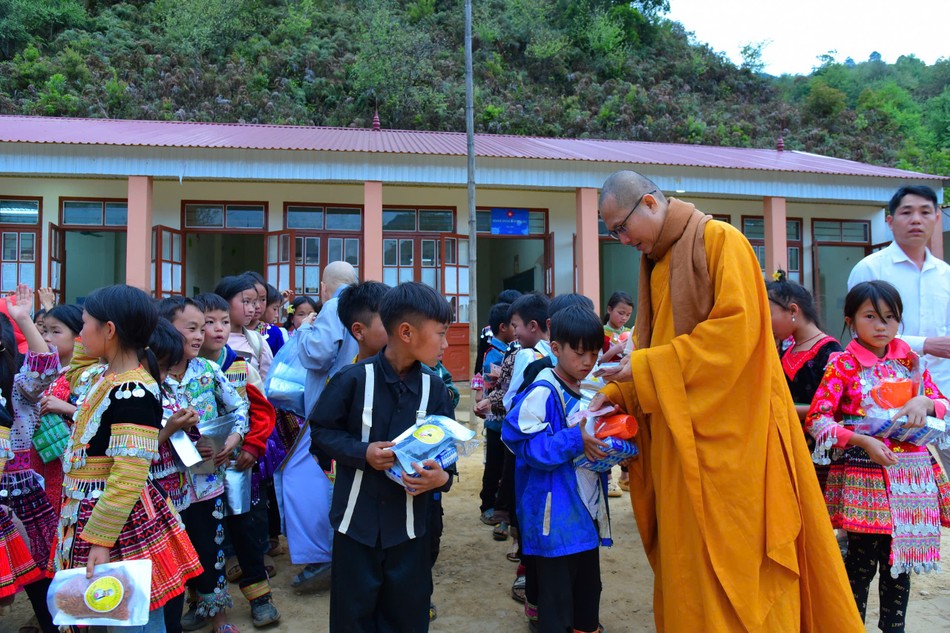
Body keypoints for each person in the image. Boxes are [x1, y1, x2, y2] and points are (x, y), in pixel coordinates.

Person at [590, 170, 863, 631]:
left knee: (745, 572)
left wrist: (646, 365)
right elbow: (652, 350)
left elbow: (737, 337)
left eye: (620, 227)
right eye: (610, 231)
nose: (619, 240)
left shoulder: (720, 241)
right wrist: (615, 393)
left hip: (737, 450)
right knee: (688, 573)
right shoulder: (655, 263)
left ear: (651, 205)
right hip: (681, 448)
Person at [53, 285, 202, 633]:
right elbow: (77, 367)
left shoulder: (132, 389)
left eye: (85, 324)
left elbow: (128, 475)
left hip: (118, 522)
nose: (80, 333)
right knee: (110, 610)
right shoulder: (100, 375)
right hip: (93, 512)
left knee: (131, 617)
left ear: (109, 330)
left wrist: (100, 541)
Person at [806, 281, 950, 630]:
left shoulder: (912, 362)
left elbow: (943, 404)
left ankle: (893, 628)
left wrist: (926, 401)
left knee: (898, 564)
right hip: (864, 474)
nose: (882, 325)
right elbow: (818, 419)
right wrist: (860, 440)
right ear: (851, 321)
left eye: (890, 317)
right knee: (860, 562)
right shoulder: (843, 364)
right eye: (871, 316)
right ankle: (850, 626)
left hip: (910, 475)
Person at [311, 282, 454, 632]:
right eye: (440, 334)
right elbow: (321, 434)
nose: (446, 344)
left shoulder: (436, 390)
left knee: (408, 615)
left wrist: (443, 478)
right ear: (406, 332)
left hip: (412, 531)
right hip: (355, 528)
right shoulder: (353, 379)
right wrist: (363, 453)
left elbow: (447, 453)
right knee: (352, 616)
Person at [504, 304, 610, 633]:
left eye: (593, 354)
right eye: (579, 353)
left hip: (583, 514)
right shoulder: (543, 390)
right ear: (555, 348)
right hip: (554, 519)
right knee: (557, 600)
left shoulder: (586, 388)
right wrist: (575, 439)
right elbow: (522, 439)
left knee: (587, 593)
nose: (587, 362)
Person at [847, 185, 950, 475]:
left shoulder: (946, 275)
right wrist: (925, 344)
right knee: (900, 491)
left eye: (925, 212)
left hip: (942, 394)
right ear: (890, 221)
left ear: (937, 218)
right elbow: (862, 335)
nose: (916, 219)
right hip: (885, 405)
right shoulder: (870, 269)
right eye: (906, 212)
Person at [285, 260, 358, 590]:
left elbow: (317, 355)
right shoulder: (364, 303)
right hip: (359, 408)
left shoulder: (334, 306)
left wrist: (304, 330)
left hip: (329, 410)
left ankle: (326, 556)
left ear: (324, 287)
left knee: (315, 481)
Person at [766, 270, 843, 491]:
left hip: (821, 450)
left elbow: (835, 408)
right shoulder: (787, 350)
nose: (765, 321)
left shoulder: (831, 351)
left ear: (793, 310)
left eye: (769, 313)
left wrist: (780, 408)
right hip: (791, 444)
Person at [476, 301, 514, 526]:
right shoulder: (493, 352)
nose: (515, 330)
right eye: (513, 325)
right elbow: (492, 381)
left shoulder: (508, 349)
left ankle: (498, 505)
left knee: (503, 466)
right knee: (494, 465)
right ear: (503, 327)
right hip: (494, 419)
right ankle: (487, 505)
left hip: (504, 419)